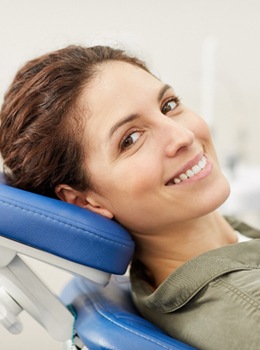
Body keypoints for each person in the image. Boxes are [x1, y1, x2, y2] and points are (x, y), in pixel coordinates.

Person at [0, 45, 259, 350]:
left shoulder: (169, 277)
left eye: (168, 105)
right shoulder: (247, 313)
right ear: (85, 201)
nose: (183, 136)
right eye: (131, 139)